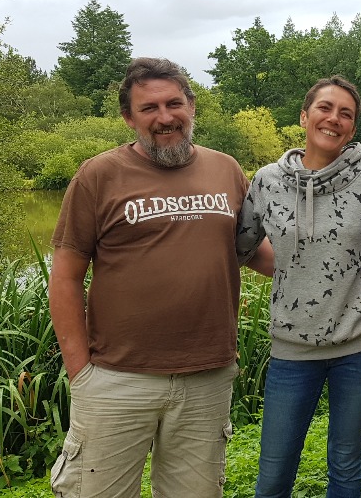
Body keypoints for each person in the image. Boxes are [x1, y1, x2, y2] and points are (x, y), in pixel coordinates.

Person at [48, 57, 271, 498]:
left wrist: (344, 274)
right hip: (116, 377)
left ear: (192, 106)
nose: (164, 117)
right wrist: (81, 372)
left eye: (174, 104)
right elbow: (66, 277)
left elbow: (254, 253)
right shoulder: (98, 176)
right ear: (128, 117)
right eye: (149, 108)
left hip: (207, 377)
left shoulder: (226, 169)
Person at [236, 76, 361, 498]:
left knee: (345, 465)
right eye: (325, 108)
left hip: (360, 346)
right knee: (274, 471)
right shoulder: (267, 181)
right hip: (292, 350)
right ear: (305, 116)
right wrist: (294, 274)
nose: (334, 118)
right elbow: (243, 248)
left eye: (346, 114)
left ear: (353, 128)